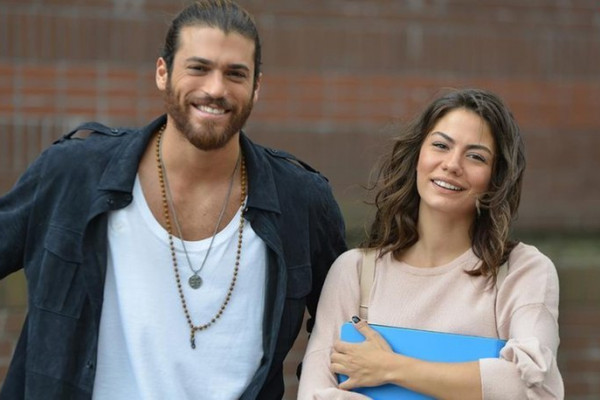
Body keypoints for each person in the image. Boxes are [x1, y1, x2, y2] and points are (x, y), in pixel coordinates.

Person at [0, 1, 347, 399]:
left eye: (235, 74)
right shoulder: (73, 174)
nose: (215, 89)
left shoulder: (301, 200)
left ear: (256, 87)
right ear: (162, 73)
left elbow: (344, 326)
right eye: (198, 68)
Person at [297, 88, 563, 399]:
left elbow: (536, 386)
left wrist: (391, 368)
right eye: (440, 145)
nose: (452, 164)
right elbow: (315, 394)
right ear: (417, 156)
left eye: (476, 156)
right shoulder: (354, 272)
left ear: (495, 178)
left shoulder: (523, 271)